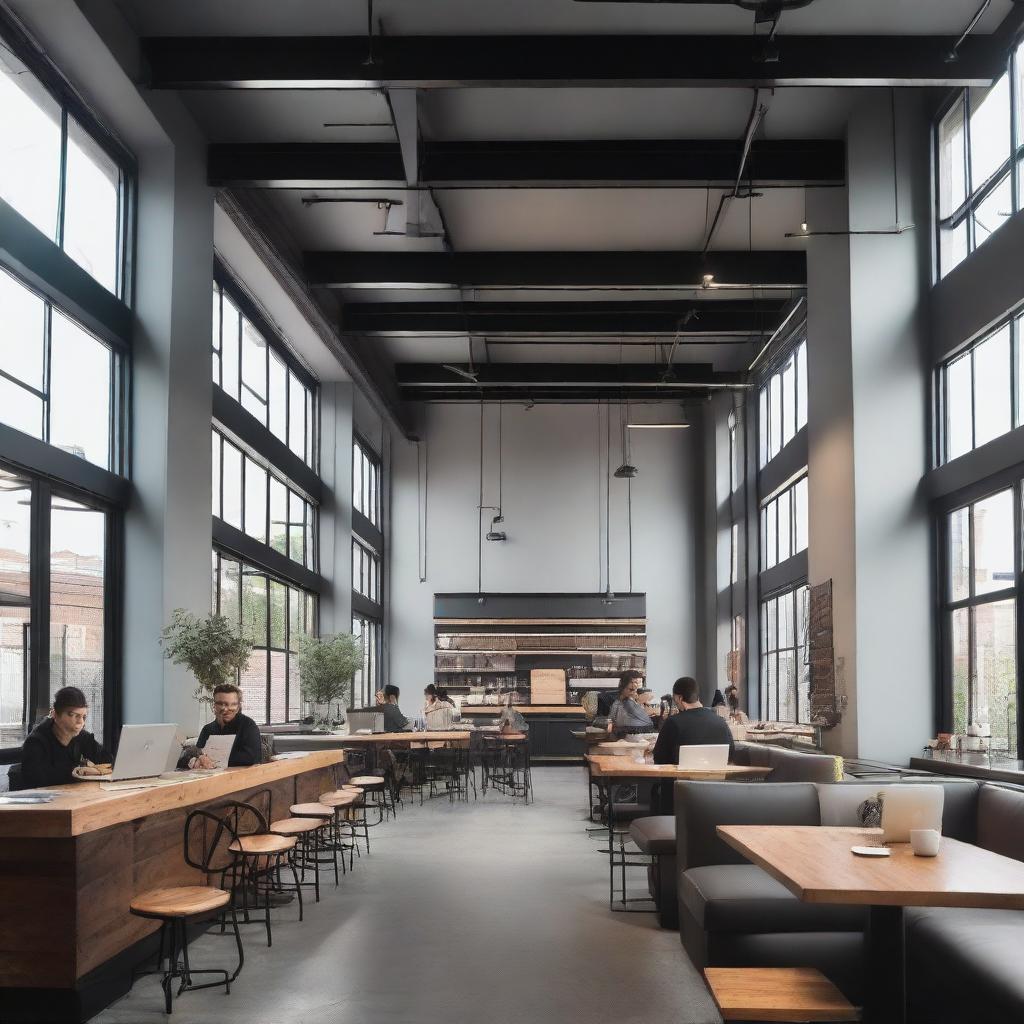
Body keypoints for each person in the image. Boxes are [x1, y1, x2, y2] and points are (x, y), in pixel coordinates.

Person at [652, 676, 735, 811]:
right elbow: (730, 755)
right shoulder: (721, 722)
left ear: (679, 698)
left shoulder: (673, 722)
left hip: (679, 796)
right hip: (716, 795)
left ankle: (662, 828)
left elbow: (659, 759)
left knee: (657, 788)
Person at [11, 686, 112, 790]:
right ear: (55, 714)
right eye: (73, 715)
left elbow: (109, 760)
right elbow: (37, 781)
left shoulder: (81, 736)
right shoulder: (35, 742)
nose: (80, 722)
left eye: (83, 717)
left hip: (72, 796)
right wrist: (79, 771)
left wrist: (97, 770)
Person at [178, 682, 262, 769]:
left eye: (233, 704)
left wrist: (208, 758)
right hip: (210, 777)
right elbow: (198, 753)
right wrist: (198, 759)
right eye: (222, 704)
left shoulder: (248, 725)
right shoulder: (207, 729)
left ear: (238, 707)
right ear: (214, 705)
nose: (226, 709)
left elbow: (252, 758)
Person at [608, 671, 655, 736]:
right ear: (623, 687)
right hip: (626, 736)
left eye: (639, 690)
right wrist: (638, 702)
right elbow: (611, 723)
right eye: (631, 689)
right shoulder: (620, 704)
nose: (635, 693)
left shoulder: (639, 701)